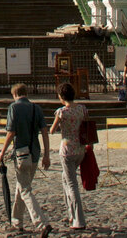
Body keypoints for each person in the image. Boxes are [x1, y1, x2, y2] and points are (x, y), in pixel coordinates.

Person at [0, 83, 51, 238]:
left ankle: (42, 223)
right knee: (21, 187)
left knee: (25, 189)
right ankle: (17, 221)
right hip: (35, 153)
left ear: (14, 94)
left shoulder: (14, 108)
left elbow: (11, 132)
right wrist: (46, 155)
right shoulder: (36, 108)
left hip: (21, 154)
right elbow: (45, 133)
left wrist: (2, 152)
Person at [49, 82, 87, 232]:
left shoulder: (61, 112)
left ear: (61, 97)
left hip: (67, 150)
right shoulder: (82, 109)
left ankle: (79, 219)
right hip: (80, 149)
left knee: (71, 184)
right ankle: (71, 213)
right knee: (65, 179)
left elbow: (52, 130)